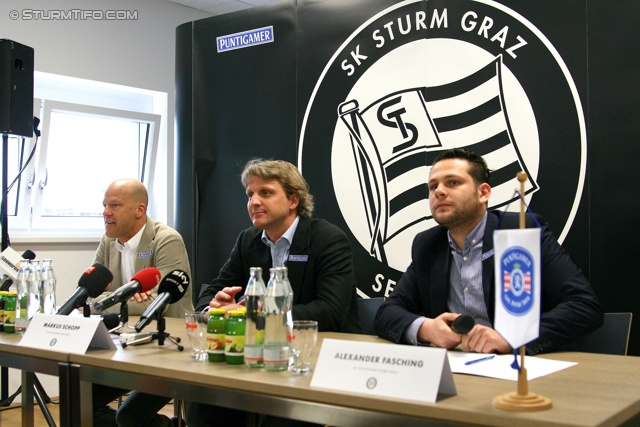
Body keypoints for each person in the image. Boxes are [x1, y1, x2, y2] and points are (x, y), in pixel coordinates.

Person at [374, 148, 603, 355]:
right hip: (459, 366)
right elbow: (387, 313)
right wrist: (427, 329)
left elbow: (584, 306)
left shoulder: (520, 233)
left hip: (522, 369)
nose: (439, 192)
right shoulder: (427, 245)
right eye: (433, 186)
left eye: (452, 182)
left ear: (483, 193)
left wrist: (512, 339)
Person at [187, 158, 360, 427]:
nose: (254, 202)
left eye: (265, 192)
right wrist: (214, 307)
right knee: (205, 405)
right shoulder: (249, 240)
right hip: (260, 354)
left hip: (315, 357)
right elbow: (212, 289)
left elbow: (330, 312)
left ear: (293, 200)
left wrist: (251, 314)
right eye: (250, 194)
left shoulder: (327, 239)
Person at [92, 179, 193, 427]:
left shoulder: (166, 239)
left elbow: (161, 302)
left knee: (129, 417)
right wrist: (119, 299)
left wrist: (111, 299)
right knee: (81, 399)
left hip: (167, 349)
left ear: (140, 210)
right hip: (125, 345)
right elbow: (90, 294)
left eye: (114, 205)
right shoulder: (108, 241)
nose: (106, 212)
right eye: (105, 205)